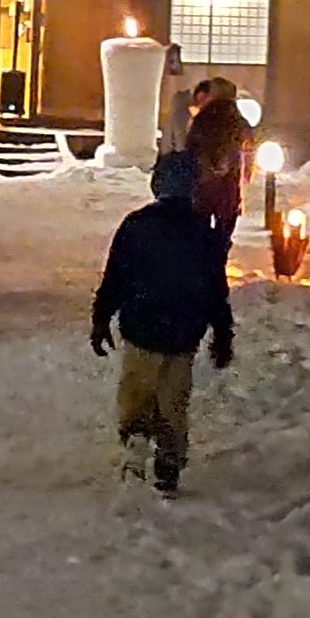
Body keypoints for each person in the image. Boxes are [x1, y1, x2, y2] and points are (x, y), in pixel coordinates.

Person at [90, 150, 234, 496]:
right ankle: (169, 458)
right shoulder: (203, 232)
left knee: (136, 392)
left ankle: (135, 441)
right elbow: (216, 289)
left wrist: (101, 318)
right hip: (183, 333)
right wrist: (222, 333)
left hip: (141, 327)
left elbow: (116, 278)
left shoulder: (136, 225)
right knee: (173, 399)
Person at [185, 77, 252, 254]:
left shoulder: (202, 118)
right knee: (226, 221)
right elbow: (249, 139)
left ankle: (202, 256)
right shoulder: (236, 117)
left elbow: (190, 145)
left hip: (204, 177)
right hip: (229, 179)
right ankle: (219, 254)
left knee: (202, 218)